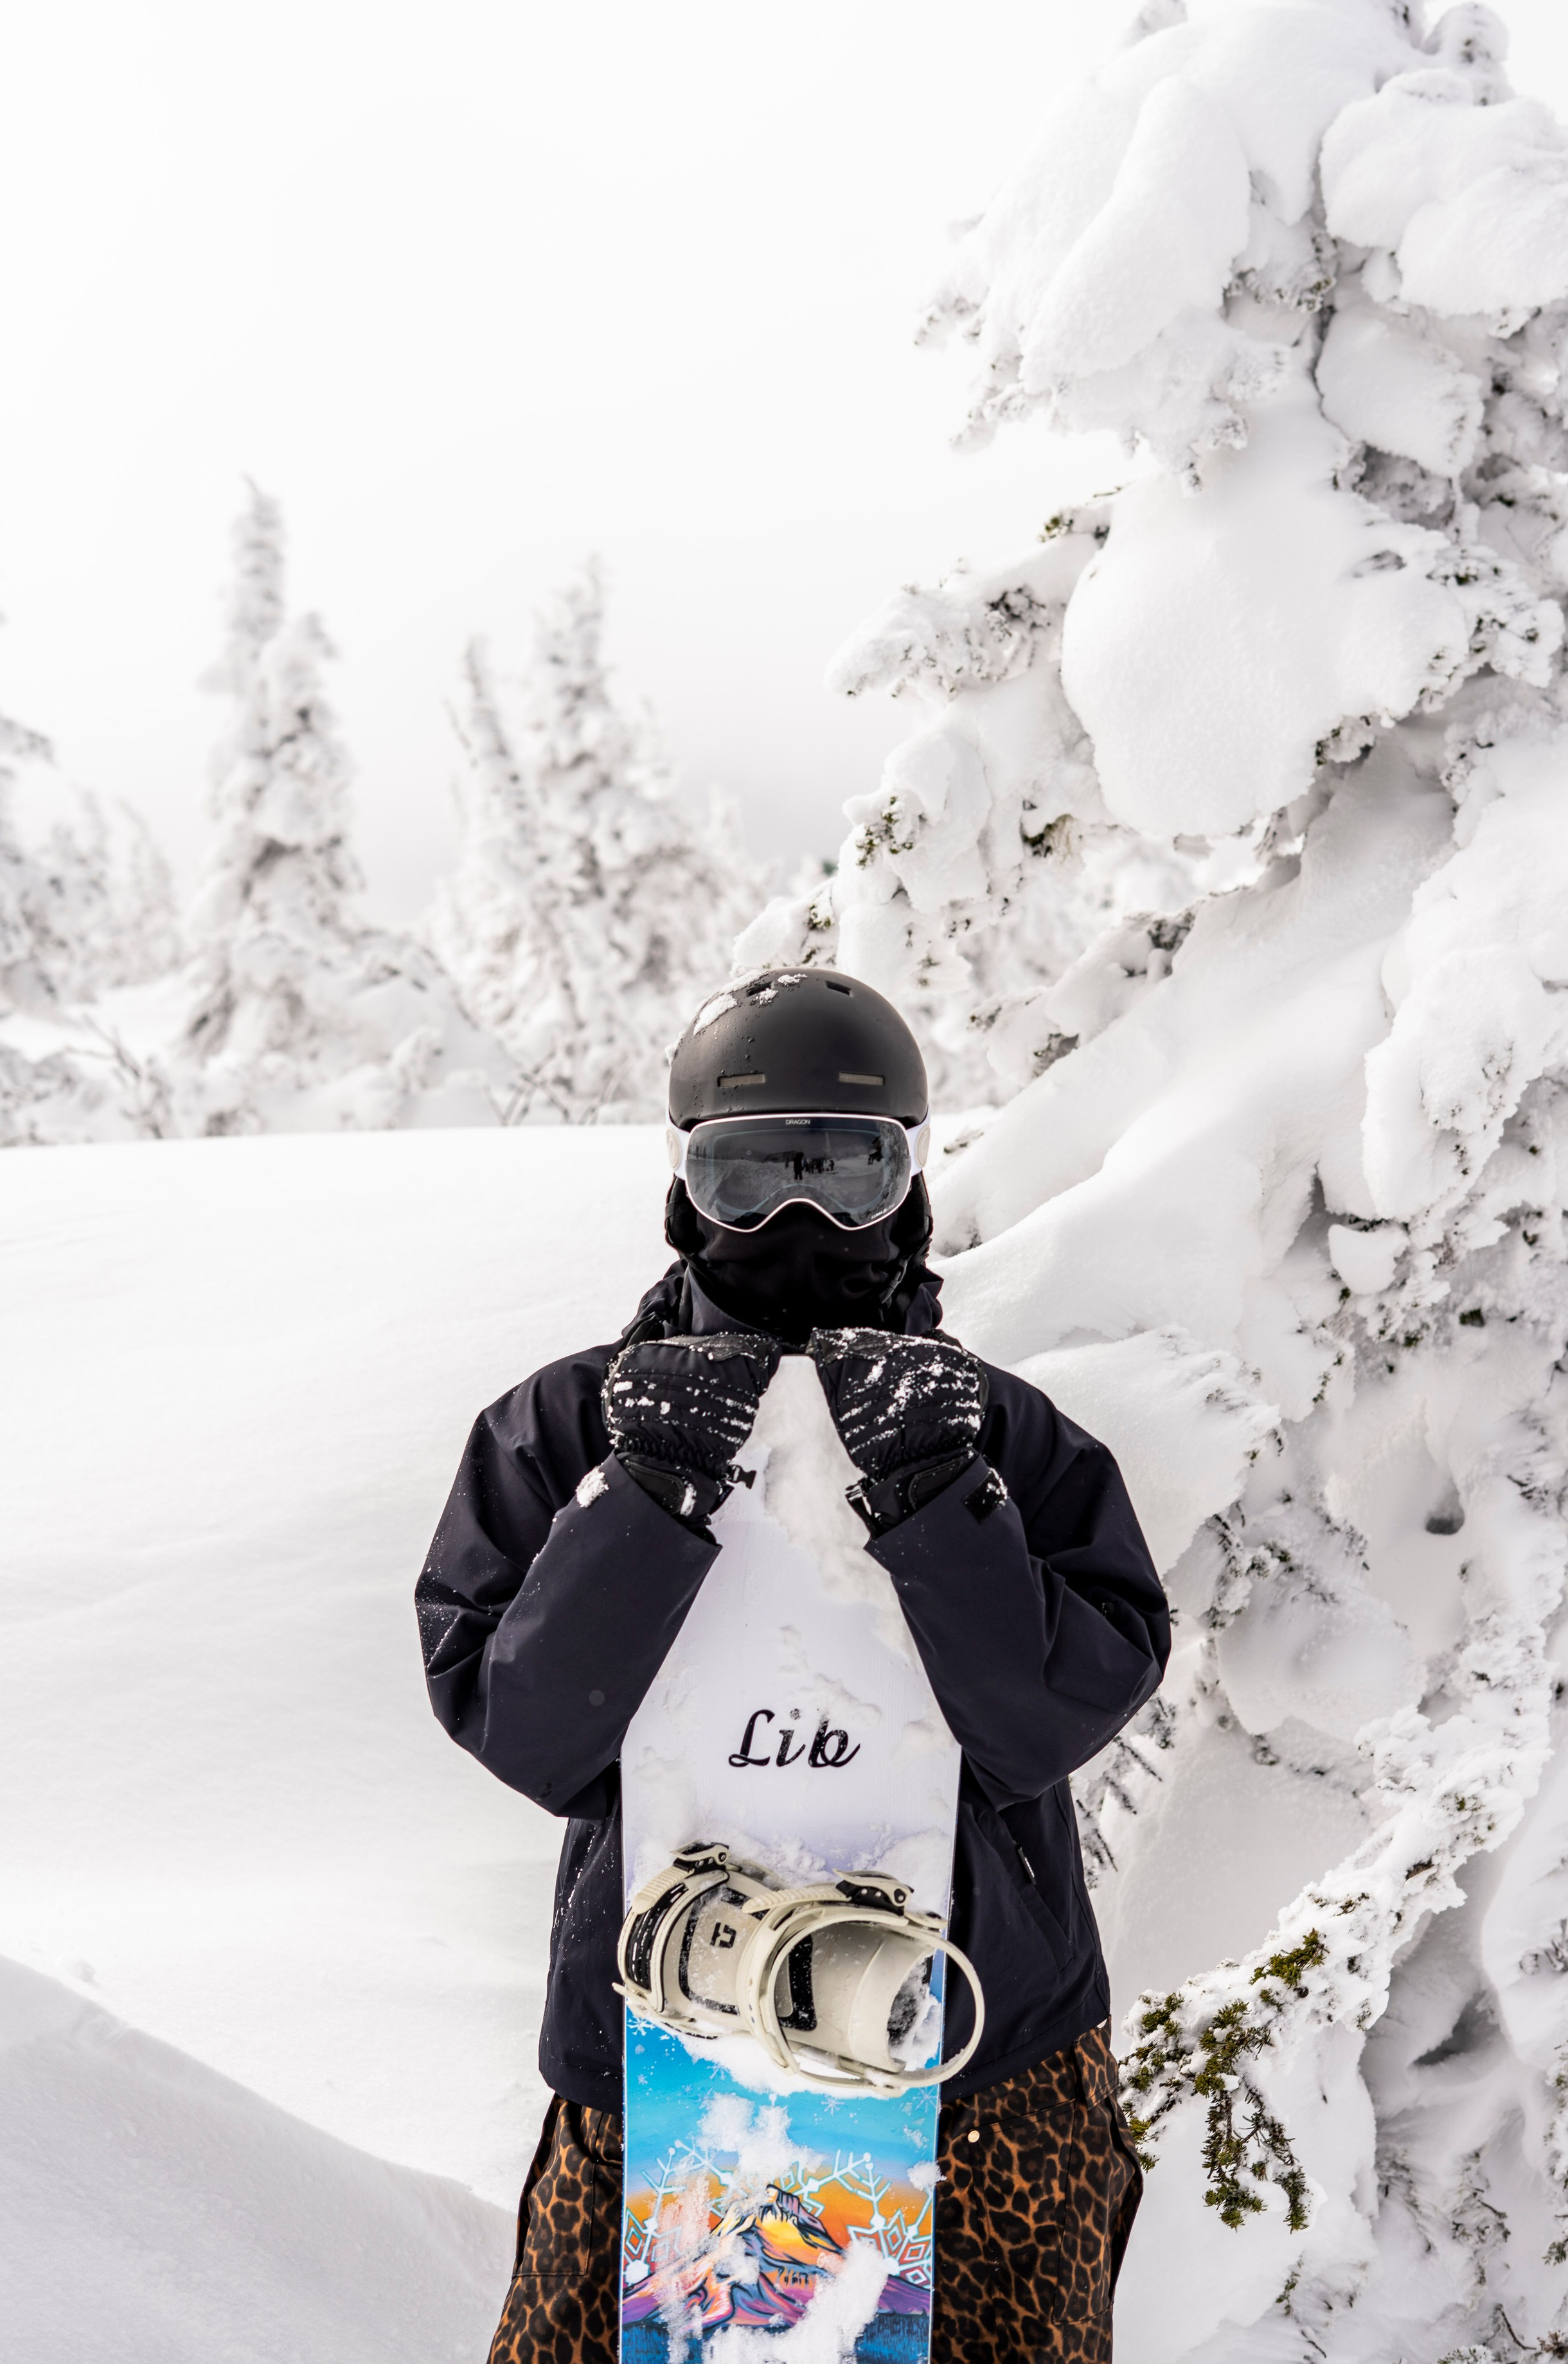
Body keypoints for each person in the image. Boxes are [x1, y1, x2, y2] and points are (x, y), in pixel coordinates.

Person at [416, 968, 1170, 2364]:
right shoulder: (561, 1427)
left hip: (982, 2064)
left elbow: (1043, 1721)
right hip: (654, 2060)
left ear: (909, 1182)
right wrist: (643, 1496)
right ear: (683, 1187)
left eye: (844, 1168)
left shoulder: (1004, 1437)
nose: (799, 1219)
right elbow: (529, 1732)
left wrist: (942, 1494)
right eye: (751, 1173)